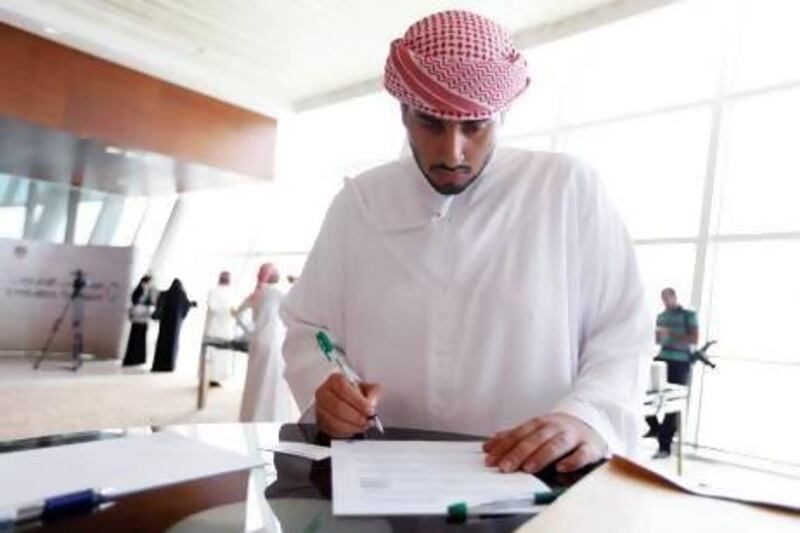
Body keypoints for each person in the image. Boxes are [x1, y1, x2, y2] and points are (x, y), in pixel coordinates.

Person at [280, 10, 651, 475]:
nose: (452, 153)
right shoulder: (360, 203)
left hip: (530, 478)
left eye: (475, 126)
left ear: (502, 116)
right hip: (381, 478)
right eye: (431, 124)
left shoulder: (565, 190)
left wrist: (587, 417)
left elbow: (622, 332)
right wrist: (327, 386)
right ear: (403, 113)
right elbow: (306, 328)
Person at [235, 263, 295, 421]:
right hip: (274, 343)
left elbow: (237, 313)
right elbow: (296, 309)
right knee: (272, 381)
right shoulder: (277, 294)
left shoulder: (256, 293)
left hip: (256, 341)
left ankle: (250, 416)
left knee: (254, 380)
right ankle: (270, 417)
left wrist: (249, 331)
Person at [645, 287, 698, 458]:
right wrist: (656, 335)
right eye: (663, 299)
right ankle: (655, 428)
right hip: (662, 360)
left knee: (673, 403)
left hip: (680, 361)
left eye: (668, 298)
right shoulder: (661, 317)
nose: (666, 302)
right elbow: (658, 341)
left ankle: (664, 446)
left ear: (675, 297)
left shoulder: (688, 315)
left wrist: (671, 333)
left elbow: (694, 339)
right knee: (646, 395)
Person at [151, 278, 195, 372]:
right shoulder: (182, 295)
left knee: (161, 343)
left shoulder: (165, 294)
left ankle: (158, 365)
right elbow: (186, 307)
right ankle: (169, 365)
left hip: (164, 324)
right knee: (172, 344)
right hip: (175, 325)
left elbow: (158, 306)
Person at [203, 271, 238, 387]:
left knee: (214, 353)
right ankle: (213, 377)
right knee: (218, 353)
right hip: (223, 327)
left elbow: (212, 307)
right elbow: (234, 310)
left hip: (216, 327)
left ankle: (211, 377)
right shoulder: (232, 292)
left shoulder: (214, 291)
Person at [122, 275, 155, 366]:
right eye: (149, 282)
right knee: (134, 338)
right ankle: (132, 358)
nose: (149, 284)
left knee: (141, 339)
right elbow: (134, 301)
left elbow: (151, 303)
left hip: (144, 318)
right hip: (137, 318)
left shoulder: (148, 291)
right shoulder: (138, 290)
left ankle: (139, 358)